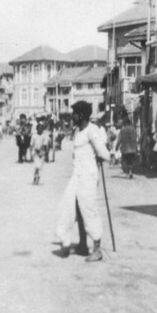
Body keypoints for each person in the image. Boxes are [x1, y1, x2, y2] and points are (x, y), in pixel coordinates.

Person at [55, 101, 112, 262]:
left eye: (74, 113)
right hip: (77, 175)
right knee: (74, 208)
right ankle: (82, 244)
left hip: (88, 176)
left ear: (81, 115)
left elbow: (102, 151)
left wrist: (110, 157)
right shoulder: (78, 131)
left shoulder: (92, 130)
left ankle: (97, 249)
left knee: (89, 210)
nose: (72, 116)